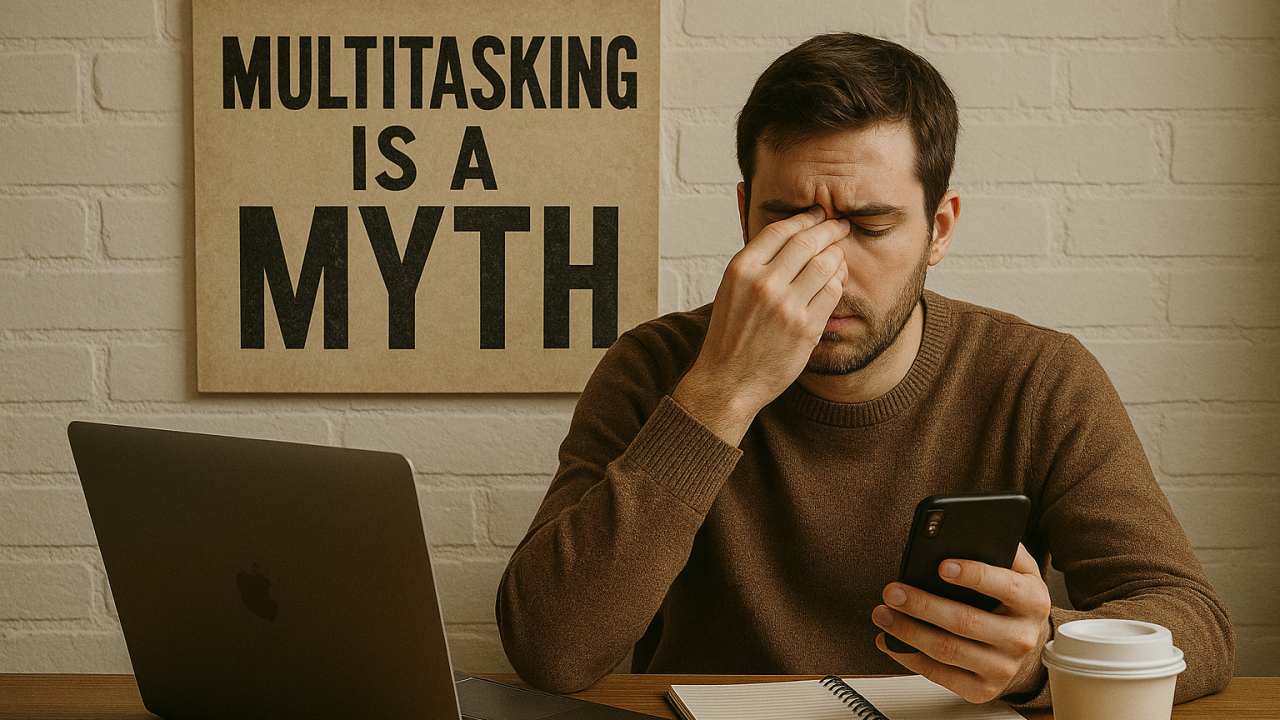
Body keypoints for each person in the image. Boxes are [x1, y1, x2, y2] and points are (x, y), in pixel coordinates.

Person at [495, 33, 1234, 708]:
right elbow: (550, 650)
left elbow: (1192, 621)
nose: (828, 268)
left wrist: (1043, 660)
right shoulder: (657, 367)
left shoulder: (1037, 378)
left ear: (938, 229)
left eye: (871, 226)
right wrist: (721, 391)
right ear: (746, 213)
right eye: (790, 221)